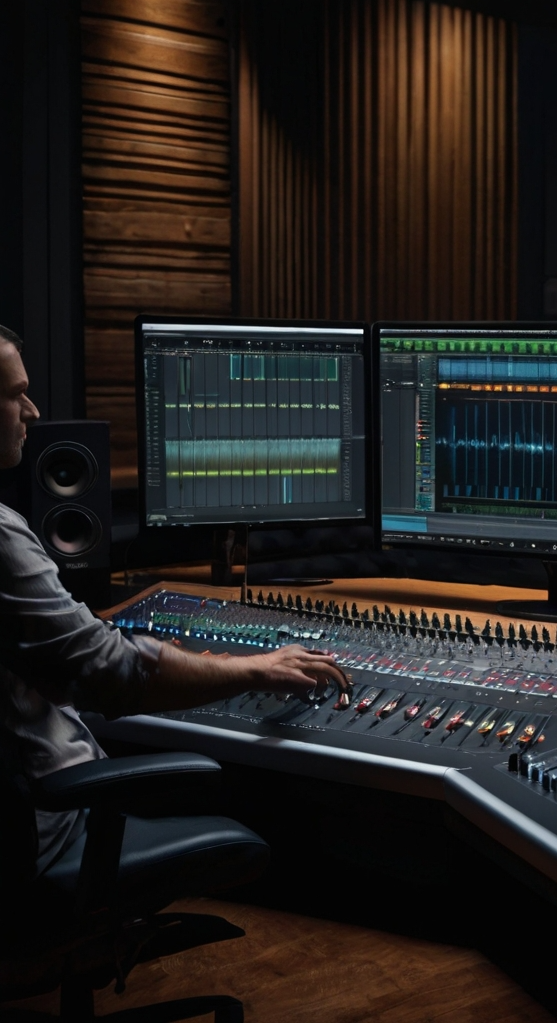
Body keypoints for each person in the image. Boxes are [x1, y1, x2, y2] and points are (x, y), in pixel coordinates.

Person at [0, 324, 348, 873]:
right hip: (55, 828)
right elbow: (110, 672)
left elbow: (58, 660)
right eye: (14, 393)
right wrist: (255, 668)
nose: (34, 410)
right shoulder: (1, 537)